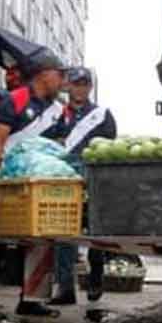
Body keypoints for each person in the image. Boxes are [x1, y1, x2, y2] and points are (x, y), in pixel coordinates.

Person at [0, 50, 66, 321]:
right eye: (59, 74)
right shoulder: (13, 101)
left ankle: (31, 299)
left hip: (39, 184)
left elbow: (58, 147)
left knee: (41, 240)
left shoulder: (57, 110)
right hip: (9, 181)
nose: (62, 80)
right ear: (43, 74)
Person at [49, 67, 117, 306]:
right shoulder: (56, 113)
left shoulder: (102, 115)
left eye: (84, 84)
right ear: (68, 86)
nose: (80, 88)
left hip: (94, 177)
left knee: (95, 229)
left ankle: (95, 279)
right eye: (76, 83)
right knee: (64, 230)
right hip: (64, 176)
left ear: (90, 87)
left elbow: (109, 150)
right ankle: (64, 288)